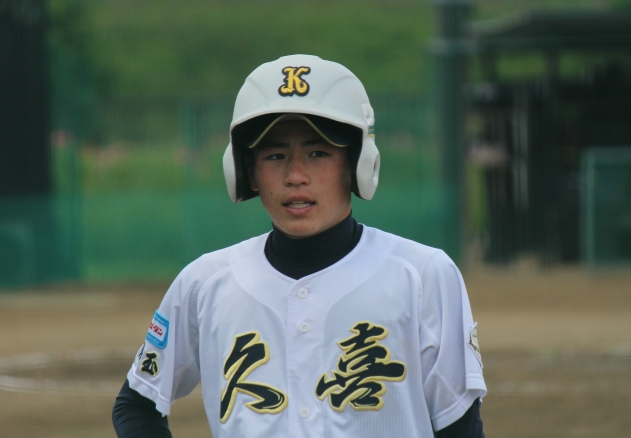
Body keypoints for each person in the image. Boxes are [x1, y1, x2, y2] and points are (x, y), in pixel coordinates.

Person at [112, 54, 486, 438]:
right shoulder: (205, 283)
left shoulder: (422, 276)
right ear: (248, 171)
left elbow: (461, 427)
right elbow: (137, 403)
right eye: (275, 156)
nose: (295, 176)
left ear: (355, 163)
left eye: (318, 153)